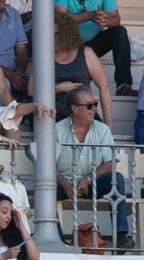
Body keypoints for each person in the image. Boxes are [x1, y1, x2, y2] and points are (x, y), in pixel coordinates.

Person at [53, 0, 133, 94]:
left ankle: (123, 85)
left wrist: (106, 20)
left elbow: (116, 18)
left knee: (119, 32)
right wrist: (91, 16)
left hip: (95, 43)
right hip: (70, 44)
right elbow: (61, 17)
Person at [55, 86, 130, 243]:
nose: (94, 109)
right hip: (63, 183)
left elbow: (111, 162)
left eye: (95, 104)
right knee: (45, 188)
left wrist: (88, 180)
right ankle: (57, 239)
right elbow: (46, 164)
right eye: (89, 105)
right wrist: (66, 185)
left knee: (116, 179)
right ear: (74, 108)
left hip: (92, 183)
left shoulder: (102, 129)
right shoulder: (56, 129)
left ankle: (121, 236)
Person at [45, 14, 112, 126]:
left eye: (54, 34)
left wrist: (108, 126)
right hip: (54, 114)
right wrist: (57, 88)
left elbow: (104, 88)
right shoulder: (45, 55)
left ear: (66, 34)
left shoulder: (86, 53)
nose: (49, 37)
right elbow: (31, 90)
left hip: (84, 111)